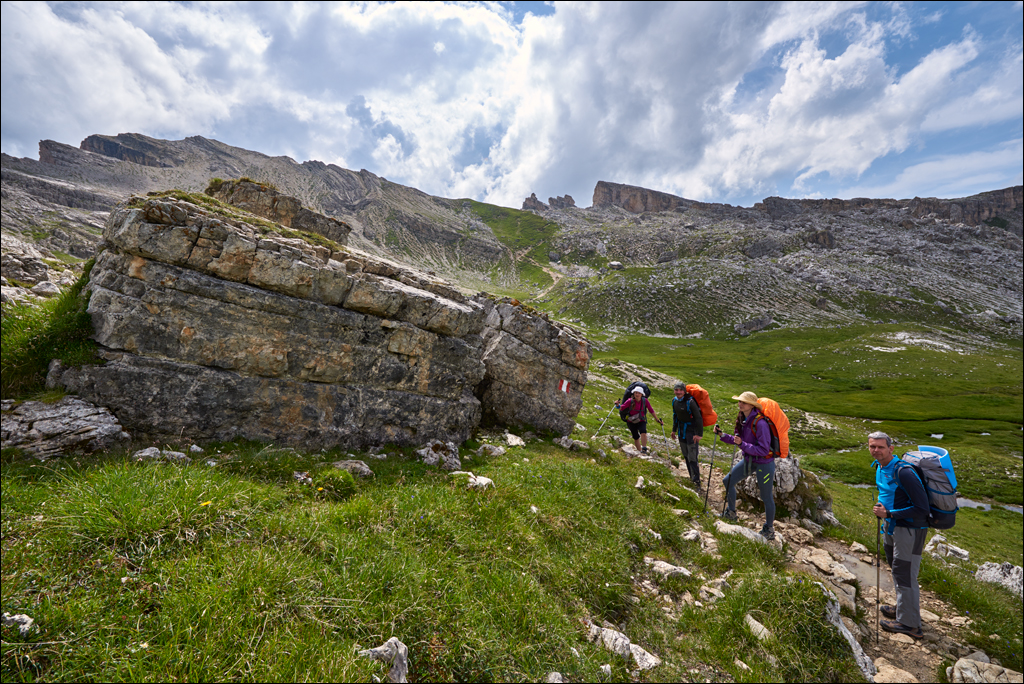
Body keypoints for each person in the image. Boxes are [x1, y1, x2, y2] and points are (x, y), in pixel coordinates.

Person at [870, 431, 929, 639]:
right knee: (897, 569)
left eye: (880, 447)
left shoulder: (904, 472)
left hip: (909, 529)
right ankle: (903, 609)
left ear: (890, 449)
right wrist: (884, 510)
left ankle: (910, 625)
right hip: (891, 526)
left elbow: (922, 508)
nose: (876, 450)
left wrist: (889, 513)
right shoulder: (880, 467)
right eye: (872, 446)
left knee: (905, 573)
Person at [714, 391, 776, 541]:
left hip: (764, 463)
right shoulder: (743, 419)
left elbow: (763, 449)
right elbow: (738, 440)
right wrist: (723, 436)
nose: (740, 404)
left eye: (744, 402)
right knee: (727, 481)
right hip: (749, 460)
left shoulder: (760, 423)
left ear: (752, 405)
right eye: (740, 401)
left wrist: (742, 444)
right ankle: (731, 513)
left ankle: (769, 529)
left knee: (766, 496)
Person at [670, 382, 703, 487]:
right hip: (681, 431)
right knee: (686, 455)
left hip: (692, 432)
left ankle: (697, 481)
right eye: (676, 390)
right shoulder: (674, 401)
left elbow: (698, 418)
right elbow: (675, 416)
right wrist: (674, 430)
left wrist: (699, 434)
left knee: (692, 457)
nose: (678, 392)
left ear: (684, 391)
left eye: (680, 390)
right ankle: (691, 477)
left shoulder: (691, 402)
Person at [618, 386, 662, 453]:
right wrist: (617, 405)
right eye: (636, 393)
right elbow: (622, 408)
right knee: (636, 437)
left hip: (641, 420)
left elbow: (651, 410)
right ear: (634, 393)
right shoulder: (630, 401)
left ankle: (644, 449)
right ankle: (639, 452)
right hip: (631, 421)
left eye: (639, 393)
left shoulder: (645, 401)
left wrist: (657, 419)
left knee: (643, 431)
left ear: (642, 394)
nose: (637, 394)